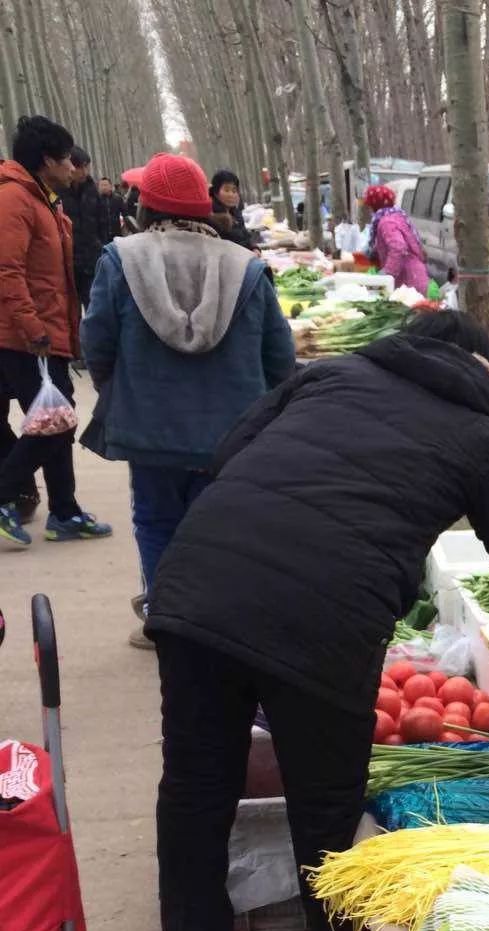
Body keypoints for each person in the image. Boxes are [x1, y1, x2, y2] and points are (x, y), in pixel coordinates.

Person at [144, 309, 489, 931]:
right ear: (483, 374)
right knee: (325, 787)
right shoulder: (473, 433)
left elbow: (227, 450)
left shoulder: (329, 375)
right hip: (324, 613)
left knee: (195, 776)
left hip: (196, 588)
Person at [80, 151, 295, 642]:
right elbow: (280, 358)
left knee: (157, 523)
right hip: (232, 432)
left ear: (145, 206)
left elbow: (97, 343)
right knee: (221, 530)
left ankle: (167, 623)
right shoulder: (246, 268)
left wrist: (125, 391)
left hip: (150, 430)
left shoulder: (121, 261)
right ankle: (218, 627)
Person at [0, 114, 112, 548]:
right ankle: (6, 494)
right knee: (56, 423)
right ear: (47, 161)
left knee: (57, 421)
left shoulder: (43, 198)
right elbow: (7, 271)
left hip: (50, 332)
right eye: (66, 160)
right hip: (26, 337)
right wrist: (33, 328)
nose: (73, 168)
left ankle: (64, 512)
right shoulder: (14, 200)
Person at [60, 145, 109, 310]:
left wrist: (101, 245)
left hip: (92, 259)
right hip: (68, 262)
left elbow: (103, 222)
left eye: (87, 166)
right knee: (72, 312)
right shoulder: (57, 193)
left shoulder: (92, 190)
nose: (85, 172)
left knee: (96, 307)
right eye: (81, 167)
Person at [362, 182, 429, 292]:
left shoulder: (386, 222)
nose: (369, 210)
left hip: (408, 281)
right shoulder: (397, 216)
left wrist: (387, 274)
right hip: (415, 276)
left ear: (375, 205)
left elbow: (398, 247)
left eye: (369, 206)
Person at [208, 168, 254, 249]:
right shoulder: (212, 215)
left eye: (234, 191)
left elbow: (246, 236)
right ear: (215, 192)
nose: (231, 194)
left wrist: (254, 248)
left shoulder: (236, 213)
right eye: (226, 190)